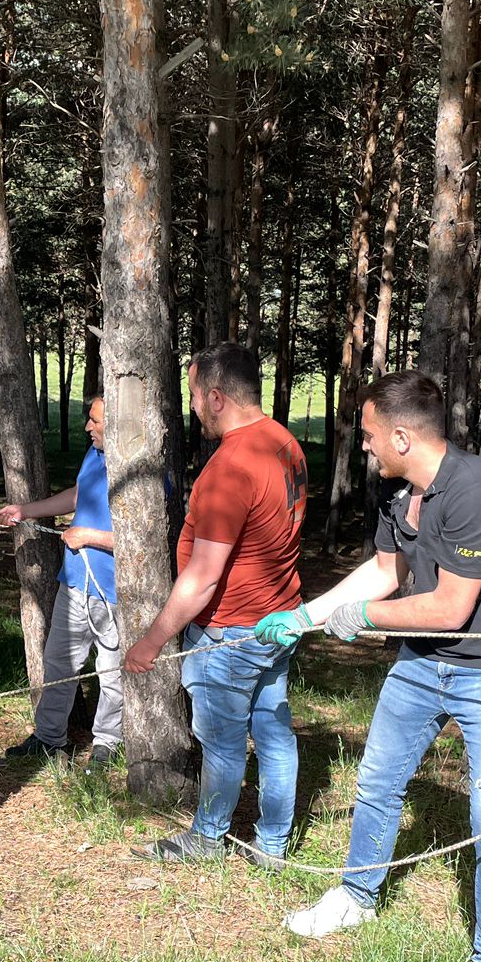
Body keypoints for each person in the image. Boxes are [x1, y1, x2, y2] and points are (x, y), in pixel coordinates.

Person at [265, 369, 481, 962]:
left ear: (401, 434)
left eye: (370, 436)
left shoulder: (478, 492)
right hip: (426, 663)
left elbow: (448, 608)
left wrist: (364, 620)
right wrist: (308, 614)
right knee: (377, 780)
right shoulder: (405, 495)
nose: (365, 447)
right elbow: (385, 572)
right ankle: (357, 895)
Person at [124, 343, 308, 865]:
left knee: (223, 742)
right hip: (277, 621)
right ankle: (273, 845)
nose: (192, 408)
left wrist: (151, 641)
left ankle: (207, 840)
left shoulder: (231, 466)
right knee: (273, 730)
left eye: (194, 397)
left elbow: (203, 578)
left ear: (217, 396)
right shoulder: (284, 443)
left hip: (232, 631)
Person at [0, 395, 123, 765]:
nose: (88, 427)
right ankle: (49, 738)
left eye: (95, 421)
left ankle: (106, 745)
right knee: (58, 662)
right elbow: (78, 494)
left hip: (115, 591)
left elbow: (147, 539)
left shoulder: (143, 468)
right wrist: (25, 511)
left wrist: (89, 537)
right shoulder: (95, 455)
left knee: (111, 672)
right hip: (74, 582)